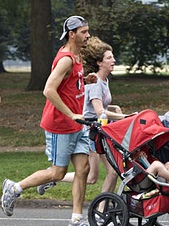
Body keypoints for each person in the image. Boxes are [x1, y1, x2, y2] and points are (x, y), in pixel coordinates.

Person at [1, 15, 96, 226]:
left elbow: (68, 83)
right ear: (72, 34)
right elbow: (48, 90)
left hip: (77, 123)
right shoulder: (66, 58)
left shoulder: (77, 55)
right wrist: (71, 114)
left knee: (83, 169)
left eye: (87, 31)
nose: (88, 35)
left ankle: (76, 220)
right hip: (60, 125)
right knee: (57, 173)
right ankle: (14, 188)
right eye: (84, 32)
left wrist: (84, 81)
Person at [37, 36, 132, 196]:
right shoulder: (96, 84)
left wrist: (116, 109)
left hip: (101, 131)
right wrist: (124, 117)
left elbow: (104, 106)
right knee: (96, 176)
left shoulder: (103, 80)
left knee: (105, 174)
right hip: (91, 133)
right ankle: (52, 177)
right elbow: (99, 111)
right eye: (109, 58)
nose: (113, 60)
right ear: (100, 63)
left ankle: (101, 210)